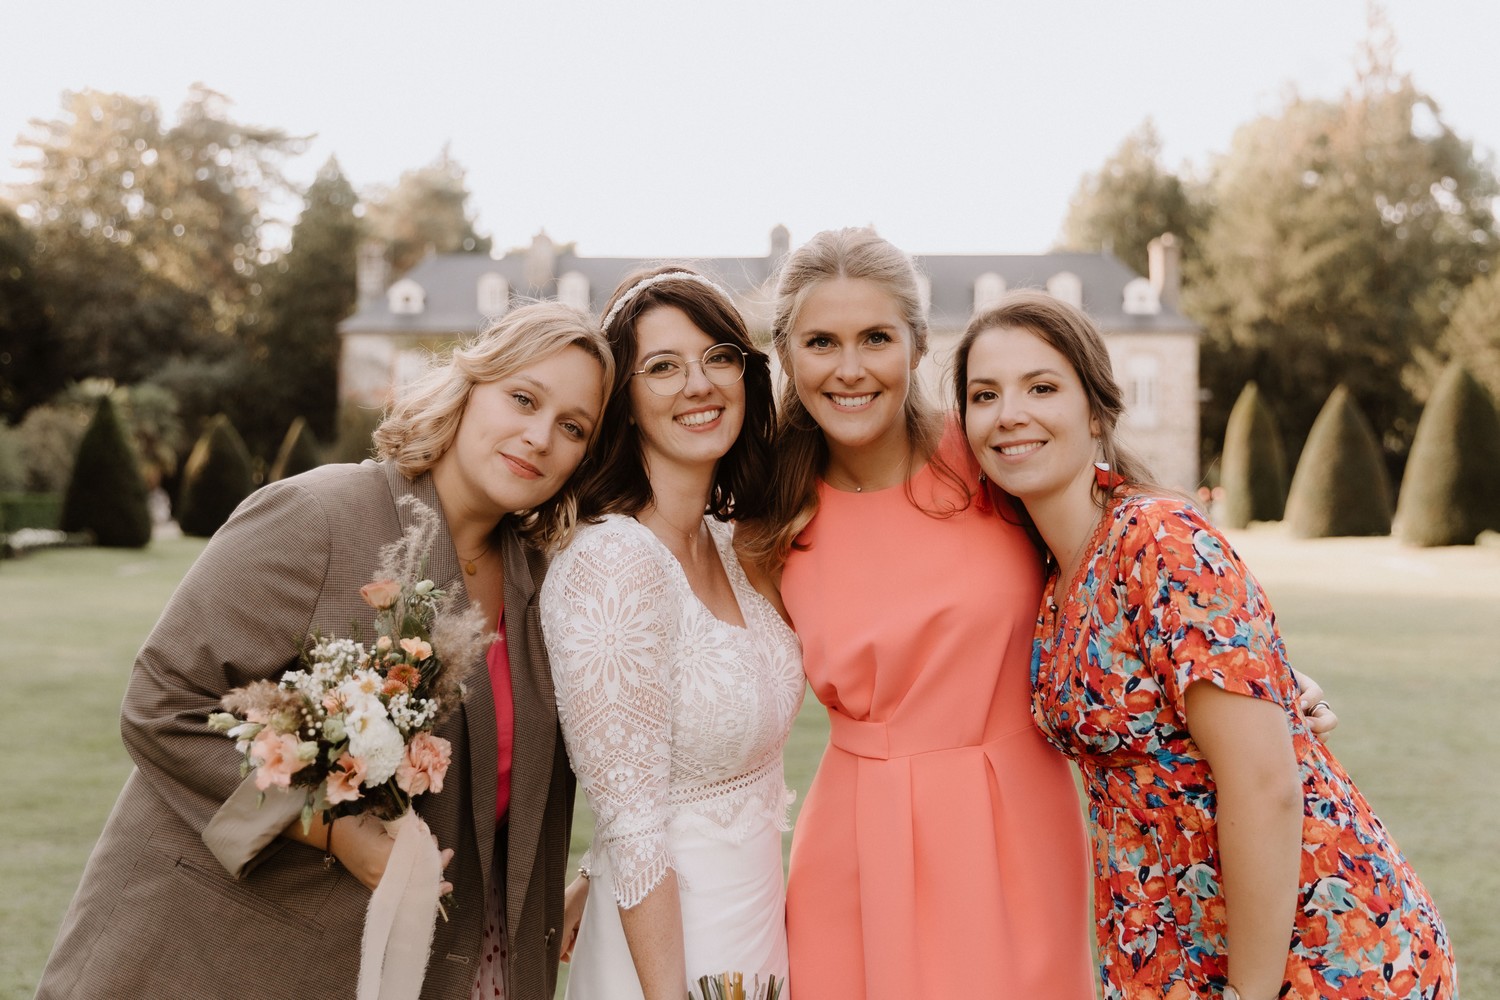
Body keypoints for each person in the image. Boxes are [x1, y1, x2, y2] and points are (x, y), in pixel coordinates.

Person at [35, 302, 613, 1000]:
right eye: (523, 398)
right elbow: (163, 706)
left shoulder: (546, 589)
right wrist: (334, 831)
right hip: (212, 956)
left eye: (572, 427)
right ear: (469, 386)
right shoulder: (318, 516)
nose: (540, 436)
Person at [953, 289, 1457, 999]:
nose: (1010, 414)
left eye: (1041, 387)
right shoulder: (1046, 578)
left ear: (1095, 410)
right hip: (1166, 946)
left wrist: (1249, 993)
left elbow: (1264, 786)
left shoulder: (1159, 538)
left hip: (1309, 951)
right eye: (984, 394)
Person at [731, 227, 1095, 999]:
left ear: (917, 345)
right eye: (822, 342)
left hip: (1021, 822)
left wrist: (1254, 672)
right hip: (855, 842)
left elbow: (1131, 559)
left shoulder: (995, 456)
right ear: (787, 356)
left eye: (876, 338)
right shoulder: (767, 522)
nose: (851, 368)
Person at [541, 268, 803, 1000]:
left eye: (718, 356)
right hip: (668, 958)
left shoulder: (729, 546)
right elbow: (631, 822)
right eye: (662, 367)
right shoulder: (611, 562)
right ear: (622, 404)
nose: (699, 384)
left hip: (754, 922)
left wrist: (585, 883)